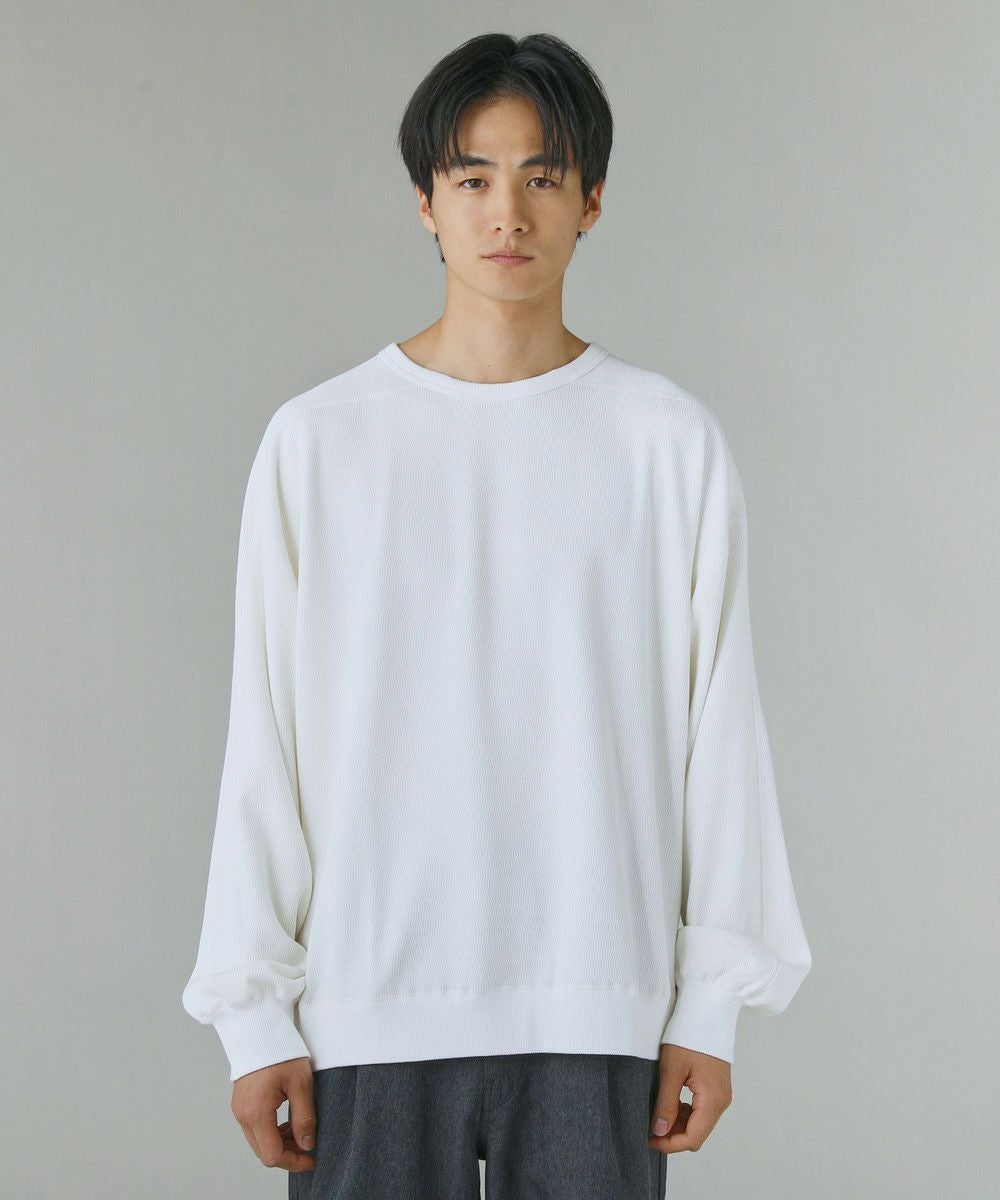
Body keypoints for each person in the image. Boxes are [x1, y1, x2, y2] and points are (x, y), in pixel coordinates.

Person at [181, 31, 812, 1200]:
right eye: (472, 178)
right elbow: (264, 740)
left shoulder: (663, 442)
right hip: (367, 1006)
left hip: (599, 1004)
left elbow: (719, 737)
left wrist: (710, 1004)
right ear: (425, 202)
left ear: (592, 201)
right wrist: (253, 1014)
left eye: (542, 177)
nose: (506, 213)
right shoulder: (320, 443)